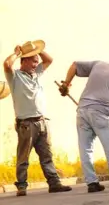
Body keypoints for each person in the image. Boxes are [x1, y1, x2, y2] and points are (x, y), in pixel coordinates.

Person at [58, 57, 109, 193]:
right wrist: (108, 124)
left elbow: (74, 65)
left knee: (85, 148)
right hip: (102, 111)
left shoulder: (99, 64)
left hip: (83, 109)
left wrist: (66, 84)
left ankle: (92, 183)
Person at [3, 41, 72, 197]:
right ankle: (21, 186)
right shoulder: (15, 77)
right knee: (23, 157)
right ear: (24, 61)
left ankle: (54, 183)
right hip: (26, 123)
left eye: (36, 62)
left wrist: (38, 50)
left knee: (47, 155)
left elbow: (49, 60)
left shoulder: (37, 73)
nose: (36, 64)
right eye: (33, 61)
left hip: (42, 121)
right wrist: (18, 53)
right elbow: (7, 64)